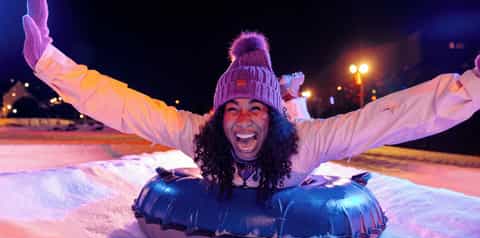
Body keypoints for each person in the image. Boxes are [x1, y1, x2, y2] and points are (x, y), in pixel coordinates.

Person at [23, 0, 480, 201]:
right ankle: (289, 94)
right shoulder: (201, 136)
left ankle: (290, 97)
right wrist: (49, 62)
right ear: (218, 114)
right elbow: (128, 106)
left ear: (270, 116)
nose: (242, 120)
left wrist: (468, 88)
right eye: (233, 108)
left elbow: (390, 118)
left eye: (255, 108)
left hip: (295, 137)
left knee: (301, 122)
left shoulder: (306, 143)